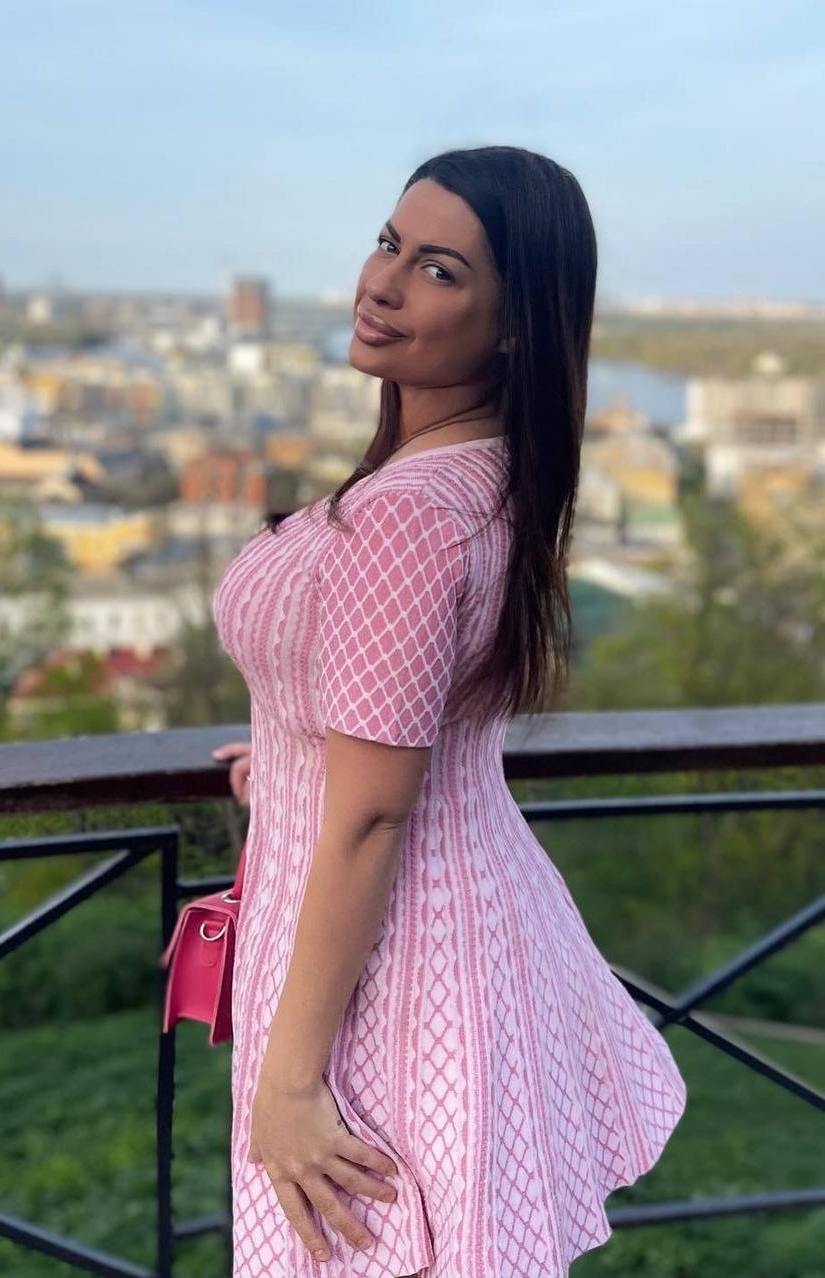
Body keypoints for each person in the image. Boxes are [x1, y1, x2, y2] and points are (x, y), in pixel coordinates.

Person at [210, 146, 687, 1278]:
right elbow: (408, 723)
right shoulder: (487, 477)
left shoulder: (410, 518)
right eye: (390, 244)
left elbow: (376, 814)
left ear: (514, 326)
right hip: (456, 937)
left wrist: (290, 1084)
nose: (382, 283)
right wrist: (291, 759)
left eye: (438, 270)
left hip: (386, 981)